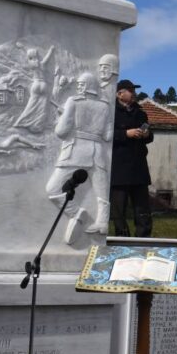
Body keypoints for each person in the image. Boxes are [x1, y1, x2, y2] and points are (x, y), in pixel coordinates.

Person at [45, 72, 113, 243]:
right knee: (101, 190)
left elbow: (61, 132)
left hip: (76, 149)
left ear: (88, 86)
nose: (78, 87)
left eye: (81, 84)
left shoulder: (73, 102)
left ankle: (75, 212)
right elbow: (107, 135)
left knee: (52, 189)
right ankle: (102, 222)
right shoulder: (105, 106)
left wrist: (62, 116)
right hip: (97, 151)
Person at [110, 79, 154, 237]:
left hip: (138, 168)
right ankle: (121, 239)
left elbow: (150, 136)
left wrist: (146, 134)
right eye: (130, 90)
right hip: (119, 169)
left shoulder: (140, 113)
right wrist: (125, 134)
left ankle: (143, 239)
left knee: (142, 209)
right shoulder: (111, 113)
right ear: (119, 94)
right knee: (118, 210)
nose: (134, 93)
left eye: (133, 90)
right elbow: (106, 135)